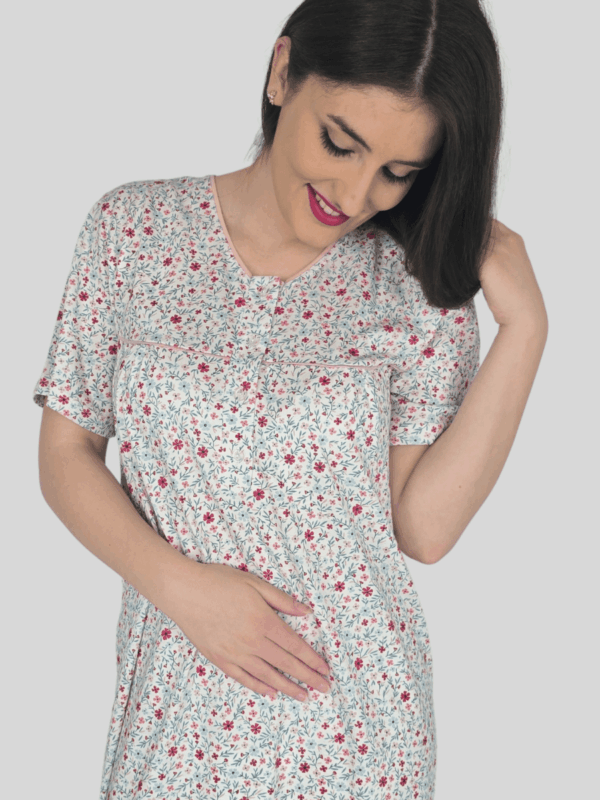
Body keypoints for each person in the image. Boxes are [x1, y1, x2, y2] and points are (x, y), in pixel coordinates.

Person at [33, 1, 548, 798]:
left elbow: (423, 528)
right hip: (171, 715)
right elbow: (66, 455)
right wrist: (181, 588)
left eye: (397, 173)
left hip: (357, 730)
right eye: (340, 142)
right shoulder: (131, 231)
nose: (355, 192)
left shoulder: (413, 288)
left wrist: (526, 329)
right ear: (282, 73)